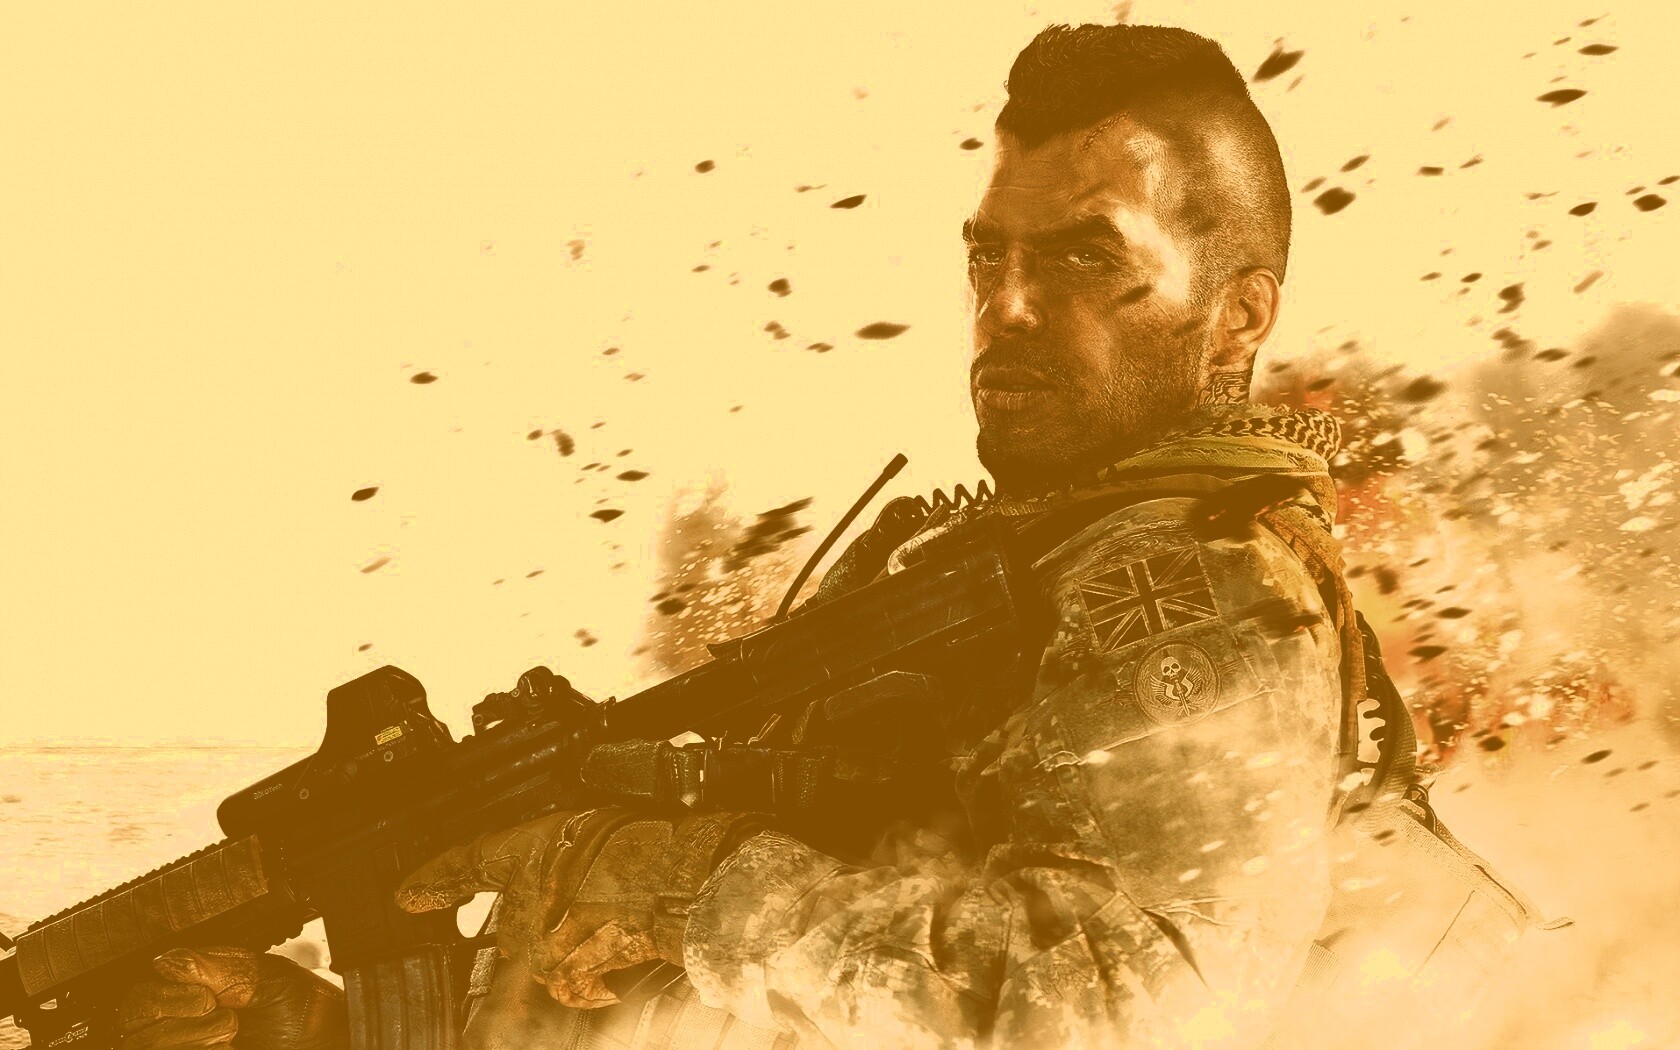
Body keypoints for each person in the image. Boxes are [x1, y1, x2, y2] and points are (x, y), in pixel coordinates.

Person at [117, 23, 1538, 1050]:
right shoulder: (993, 577)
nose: (1009, 307)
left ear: (1238, 316)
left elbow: (1113, 1011)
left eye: (1086, 256)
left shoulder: (1194, 579)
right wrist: (307, 1025)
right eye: (989, 255)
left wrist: (662, 869)